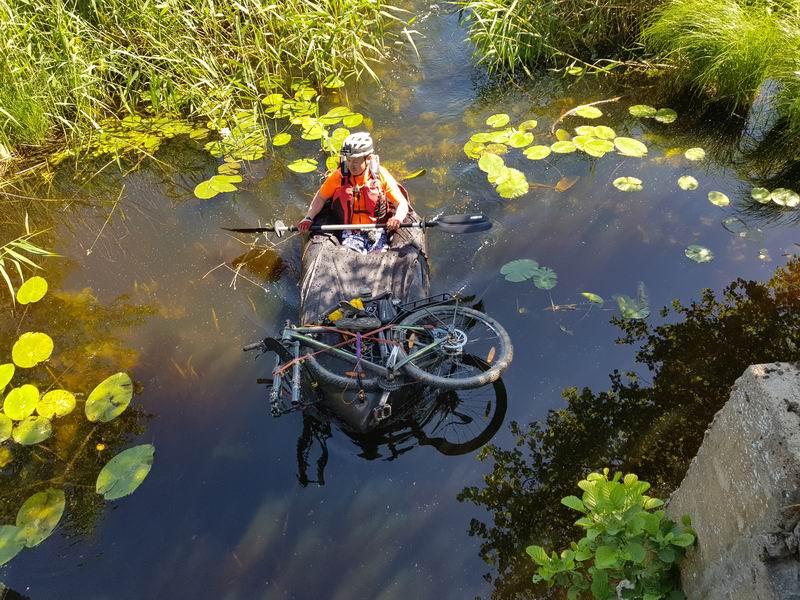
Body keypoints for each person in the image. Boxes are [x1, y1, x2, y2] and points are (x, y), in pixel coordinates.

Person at [297, 132, 408, 254]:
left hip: (377, 229)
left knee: (379, 258)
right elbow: (321, 198)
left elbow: (401, 203)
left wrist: (397, 218)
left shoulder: (381, 175)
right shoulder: (338, 177)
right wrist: (309, 217)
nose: (350, 165)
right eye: (348, 160)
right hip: (349, 231)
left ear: (369, 158)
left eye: (355, 161)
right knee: (349, 257)